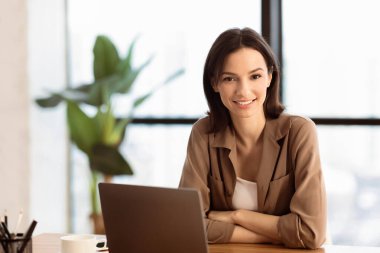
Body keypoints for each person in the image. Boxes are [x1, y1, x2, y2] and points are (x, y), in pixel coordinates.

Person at [179, 27, 326, 249]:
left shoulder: (299, 132)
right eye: (230, 79)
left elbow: (310, 233)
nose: (243, 91)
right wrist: (272, 235)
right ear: (214, 83)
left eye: (255, 76)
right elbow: (188, 225)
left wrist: (238, 216)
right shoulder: (203, 134)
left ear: (270, 77)